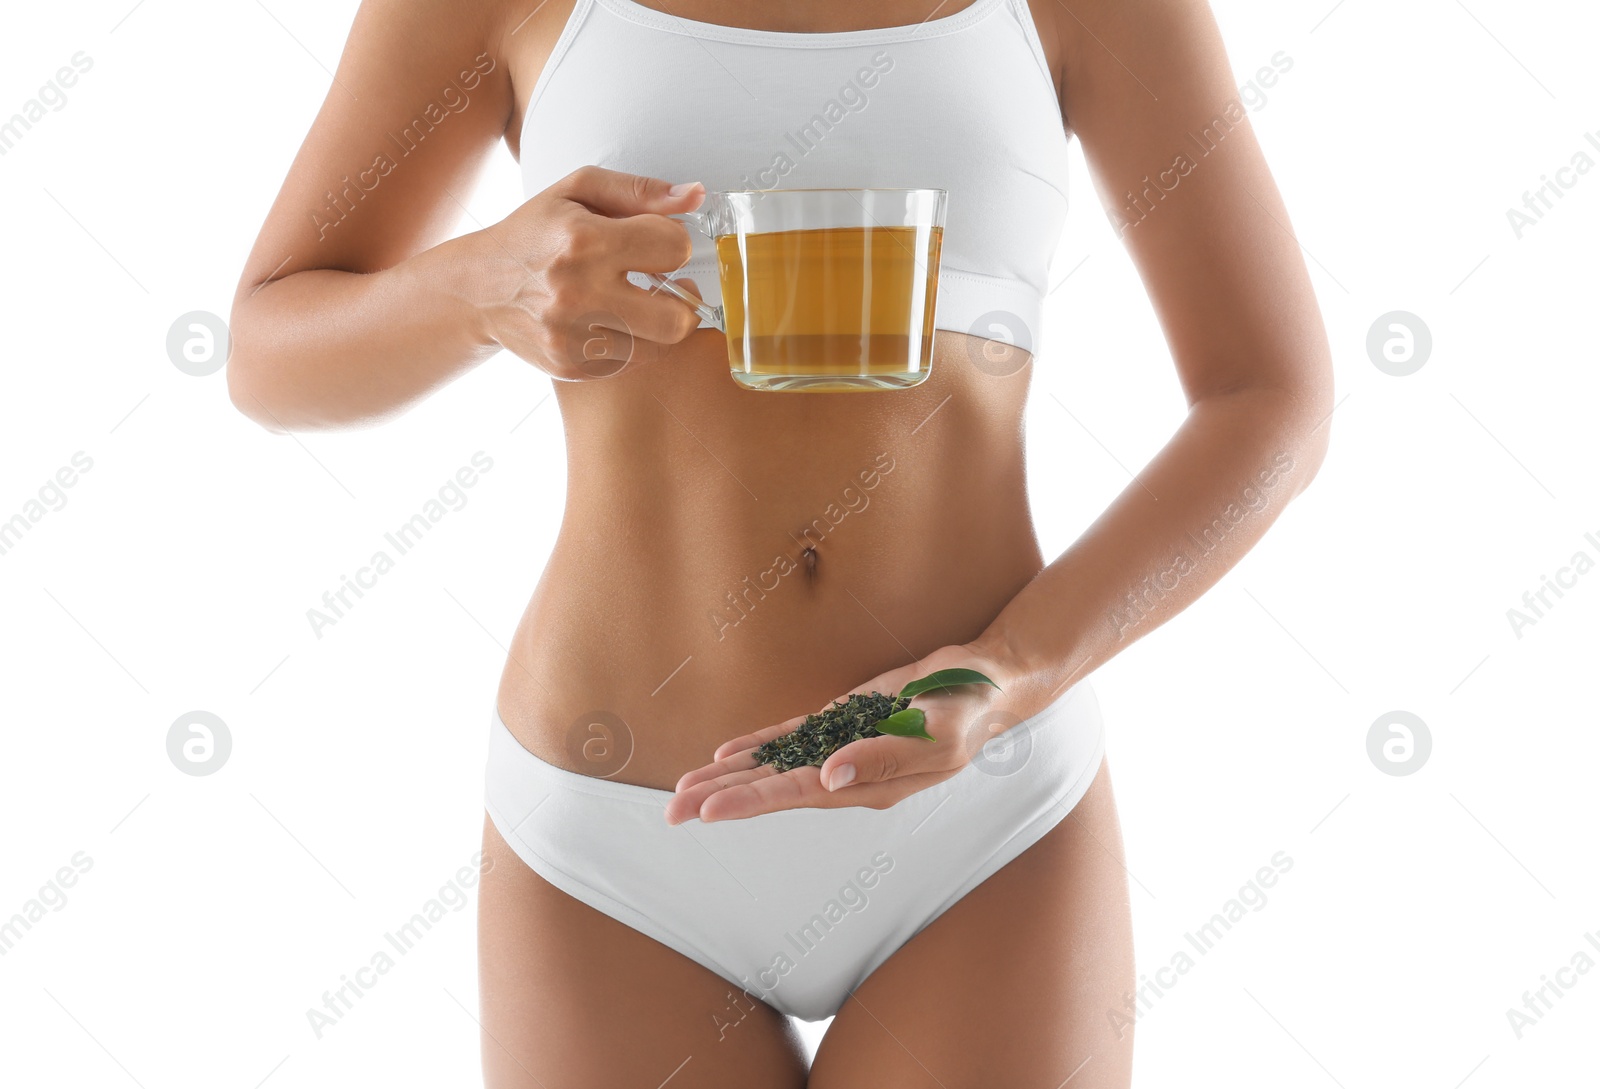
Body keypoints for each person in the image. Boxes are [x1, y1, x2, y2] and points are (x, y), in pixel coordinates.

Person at [227, 0, 1333, 1084]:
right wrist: (477, 290)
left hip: (979, 814)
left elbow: (1268, 397)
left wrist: (1010, 672)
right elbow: (267, 351)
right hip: (614, 833)